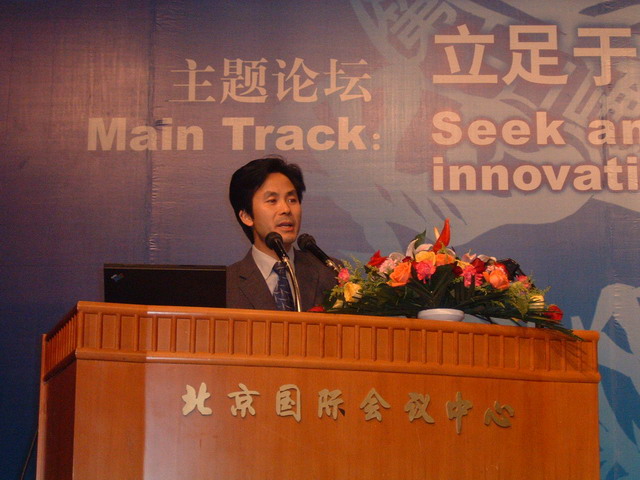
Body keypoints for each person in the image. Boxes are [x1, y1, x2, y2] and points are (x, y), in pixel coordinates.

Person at [226, 156, 337, 311]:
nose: (286, 209)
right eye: (272, 200)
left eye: (292, 200)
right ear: (246, 216)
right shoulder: (227, 283)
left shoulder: (329, 272)